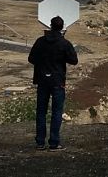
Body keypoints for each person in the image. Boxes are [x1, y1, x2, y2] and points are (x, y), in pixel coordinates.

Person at [27, 15, 78, 150]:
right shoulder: (64, 44)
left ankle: (40, 142)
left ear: (50, 25)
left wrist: (43, 63)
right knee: (56, 111)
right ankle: (54, 143)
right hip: (57, 81)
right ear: (62, 28)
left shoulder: (40, 42)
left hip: (42, 81)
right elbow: (74, 60)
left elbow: (31, 58)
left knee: (41, 111)